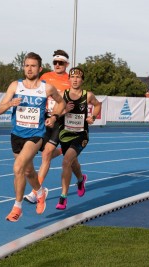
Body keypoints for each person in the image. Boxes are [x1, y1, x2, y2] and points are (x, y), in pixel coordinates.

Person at [0, 52, 65, 222]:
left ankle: (17, 208)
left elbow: (61, 102)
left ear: (39, 68)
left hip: (35, 134)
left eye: (33, 66)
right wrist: (10, 104)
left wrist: (54, 116)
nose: (29, 68)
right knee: (27, 171)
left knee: (18, 167)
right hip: (17, 134)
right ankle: (41, 192)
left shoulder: (46, 88)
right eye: (26, 65)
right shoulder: (15, 86)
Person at [23, 49, 70, 204]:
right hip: (43, 118)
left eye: (61, 63)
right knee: (42, 152)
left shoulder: (71, 80)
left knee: (46, 154)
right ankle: (64, 150)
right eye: (55, 62)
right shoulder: (45, 77)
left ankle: (36, 191)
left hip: (60, 120)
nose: (57, 65)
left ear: (66, 64)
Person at [56, 67, 101, 210]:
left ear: (82, 80)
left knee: (66, 161)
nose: (75, 80)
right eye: (72, 77)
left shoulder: (87, 95)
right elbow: (55, 113)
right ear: (68, 79)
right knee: (72, 162)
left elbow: (98, 104)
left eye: (78, 77)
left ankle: (63, 197)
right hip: (65, 133)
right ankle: (81, 179)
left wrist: (92, 116)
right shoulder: (62, 94)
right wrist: (65, 111)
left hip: (81, 134)